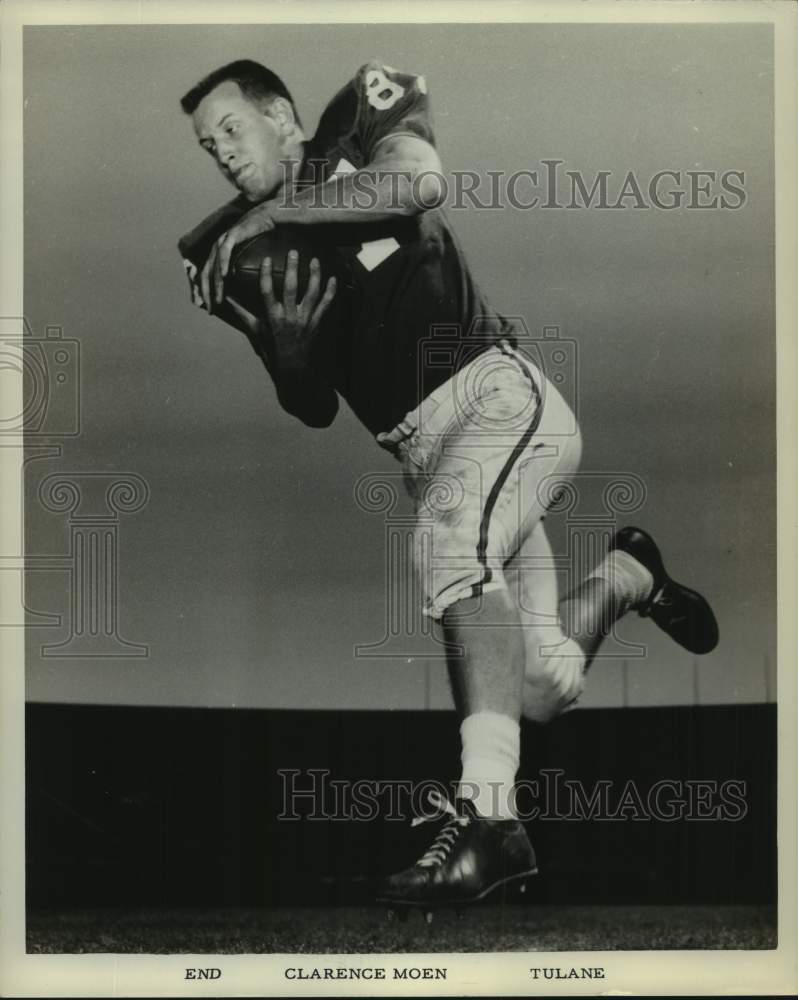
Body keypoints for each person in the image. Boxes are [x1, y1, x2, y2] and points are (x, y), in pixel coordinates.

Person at [178, 59, 719, 915]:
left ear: (281, 114)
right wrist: (285, 349)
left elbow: (417, 182)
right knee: (539, 690)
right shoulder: (241, 251)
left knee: (447, 542)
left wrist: (276, 209)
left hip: (495, 398)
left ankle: (490, 821)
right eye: (208, 147)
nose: (222, 156)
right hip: (429, 458)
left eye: (231, 130)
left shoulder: (352, 126)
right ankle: (630, 577)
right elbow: (313, 404)